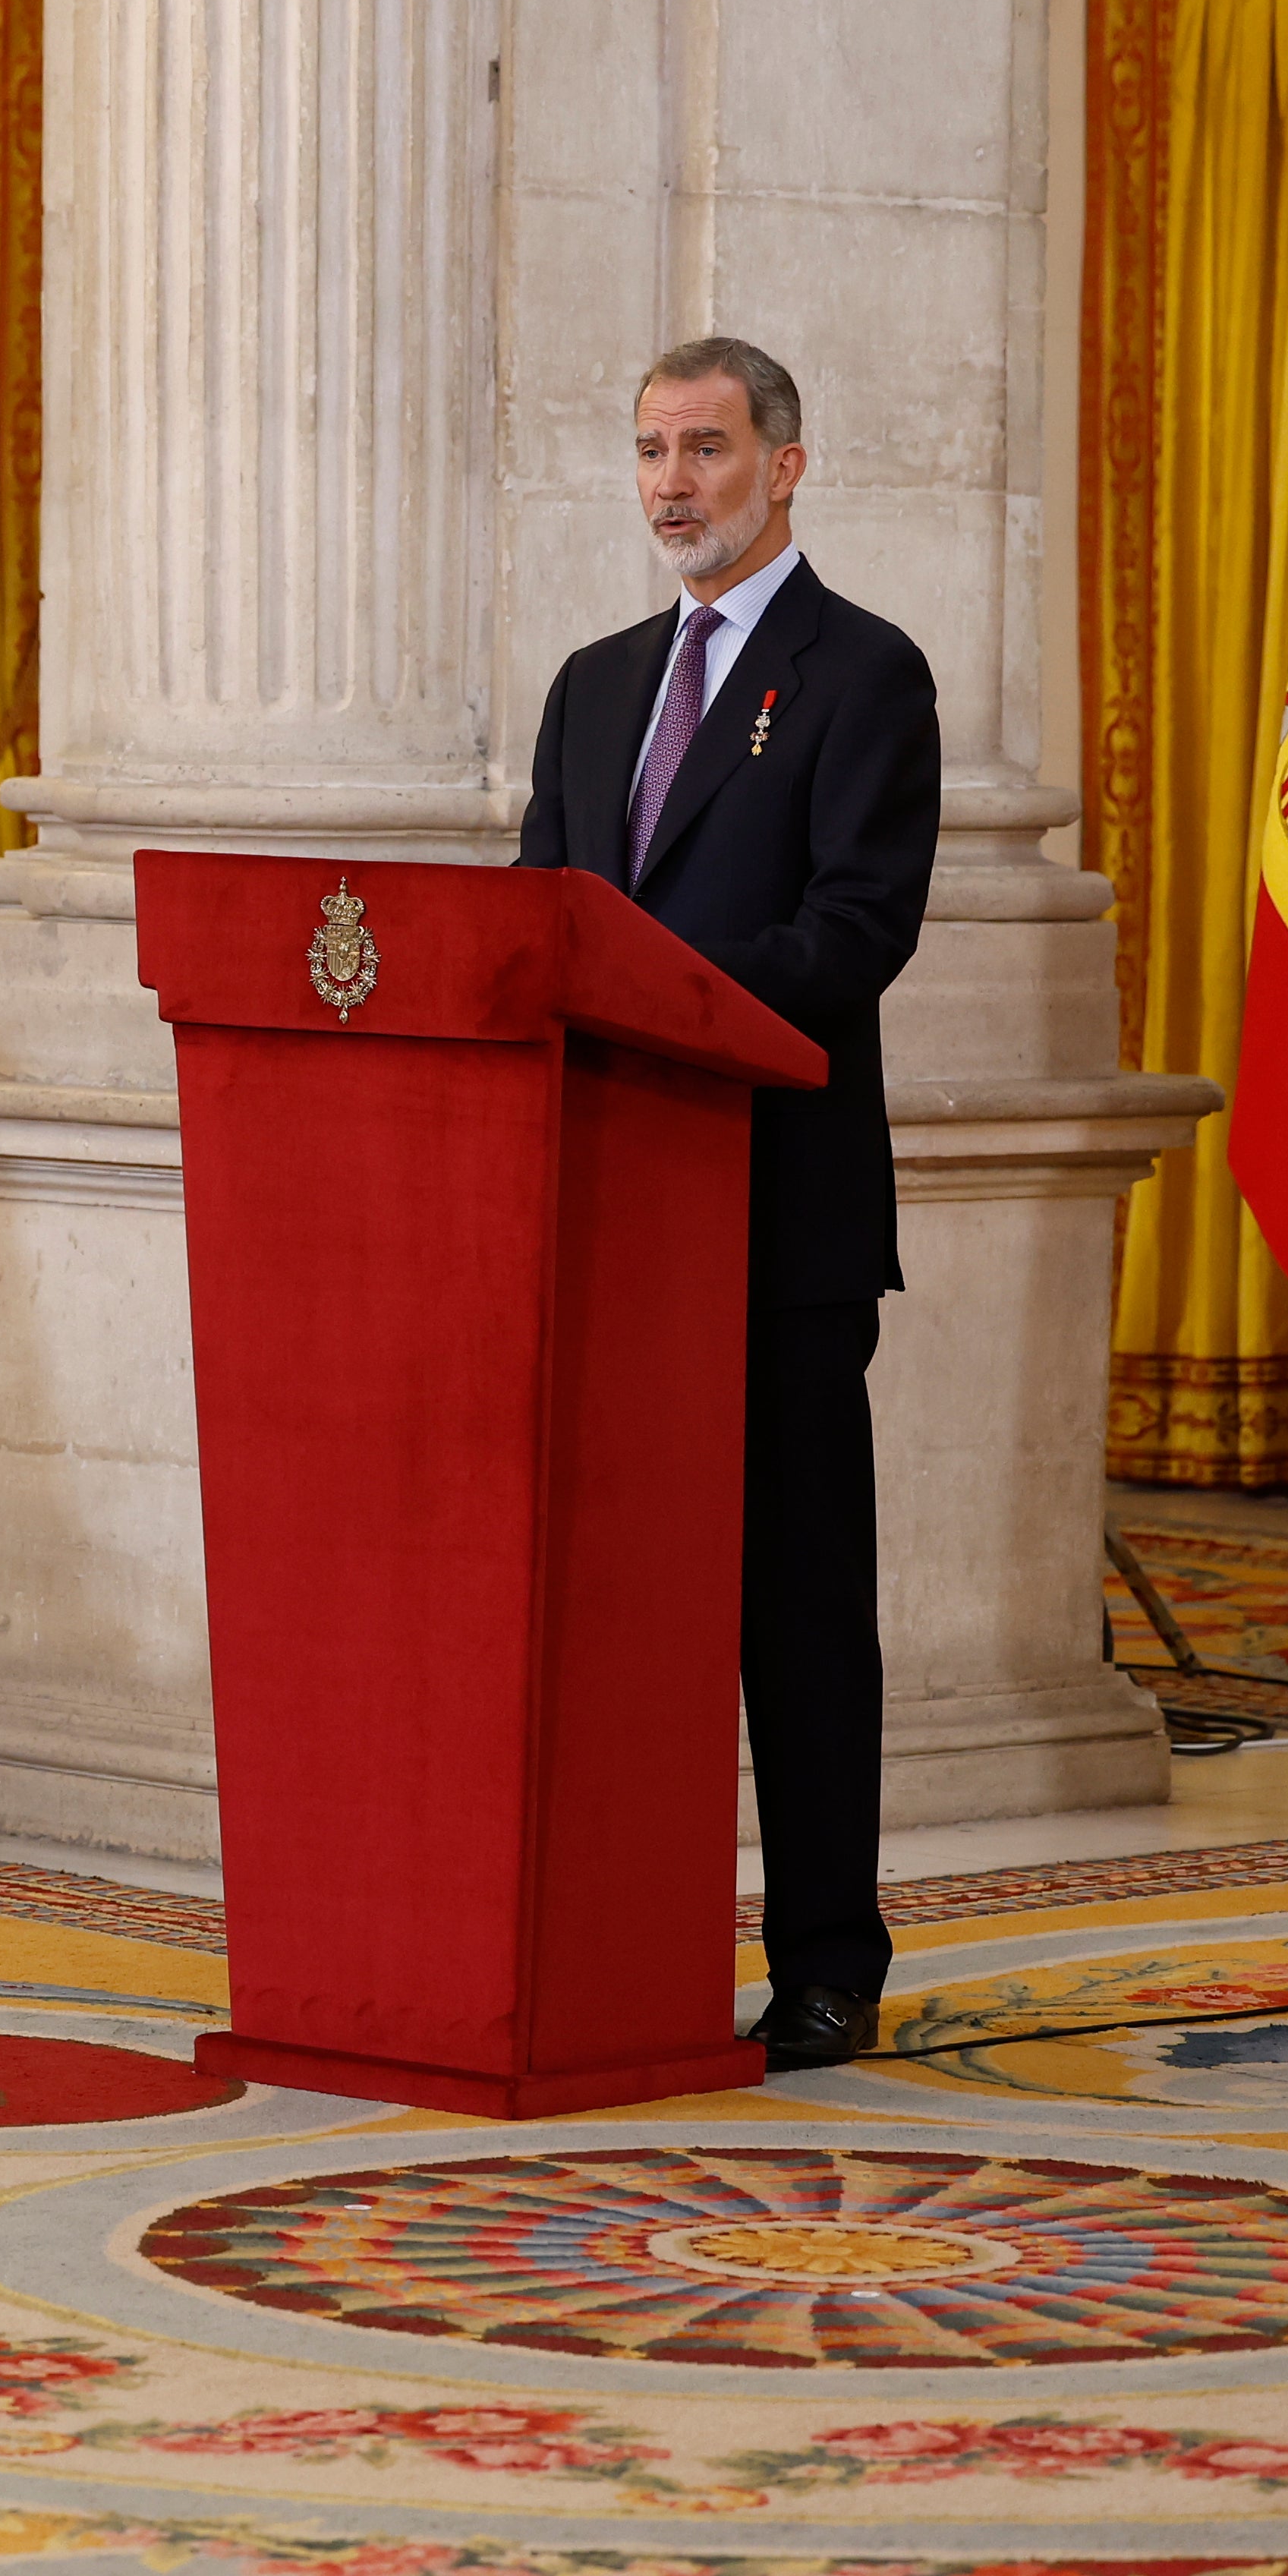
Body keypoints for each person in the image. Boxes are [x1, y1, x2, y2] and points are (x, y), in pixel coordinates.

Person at [515, 335, 941, 2073]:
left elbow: (859, 929)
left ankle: (832, 1955)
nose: (672, 483)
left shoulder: (864, 675)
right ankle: (620, 1935)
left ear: (787, 462)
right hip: (608, 1220)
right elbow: (537, 915)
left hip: (776, 1225)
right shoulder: (594, 682)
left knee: (796, 1611)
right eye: (647, 452)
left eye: (704, 447)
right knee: (615, 1613)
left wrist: (655, 999)